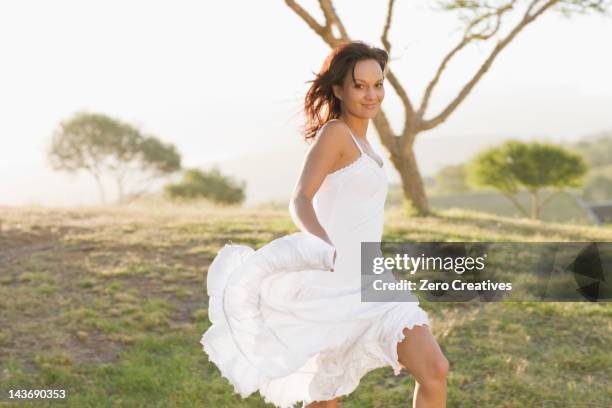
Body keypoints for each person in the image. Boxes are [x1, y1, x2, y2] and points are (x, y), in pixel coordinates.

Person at [201, 41, 449, 408]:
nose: (371, 94)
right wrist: (320, 242)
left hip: (372, 280)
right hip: (331, 287)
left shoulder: (367, 145)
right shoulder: (336, 134)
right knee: (325, 399)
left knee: (434, 370)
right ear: (338, 89)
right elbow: (300, 198)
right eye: (359, 85)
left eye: (377, 84)